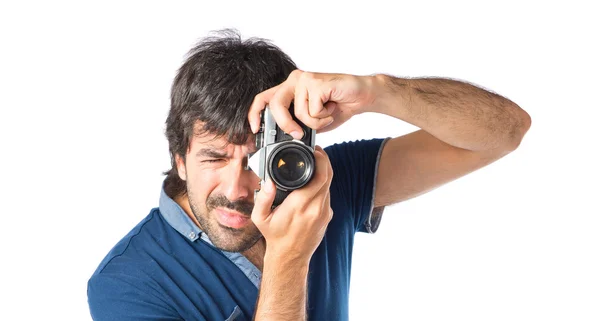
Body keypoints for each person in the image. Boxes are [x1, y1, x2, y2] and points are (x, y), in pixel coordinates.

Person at [87, 29, 531, 320]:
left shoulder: (317, 185)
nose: (238, 188)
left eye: (260, 159)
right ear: (179, 158)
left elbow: (503, 131)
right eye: (213, 158)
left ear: (298, 148)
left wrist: (380, 91)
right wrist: (289, 258)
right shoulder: (127, 284)